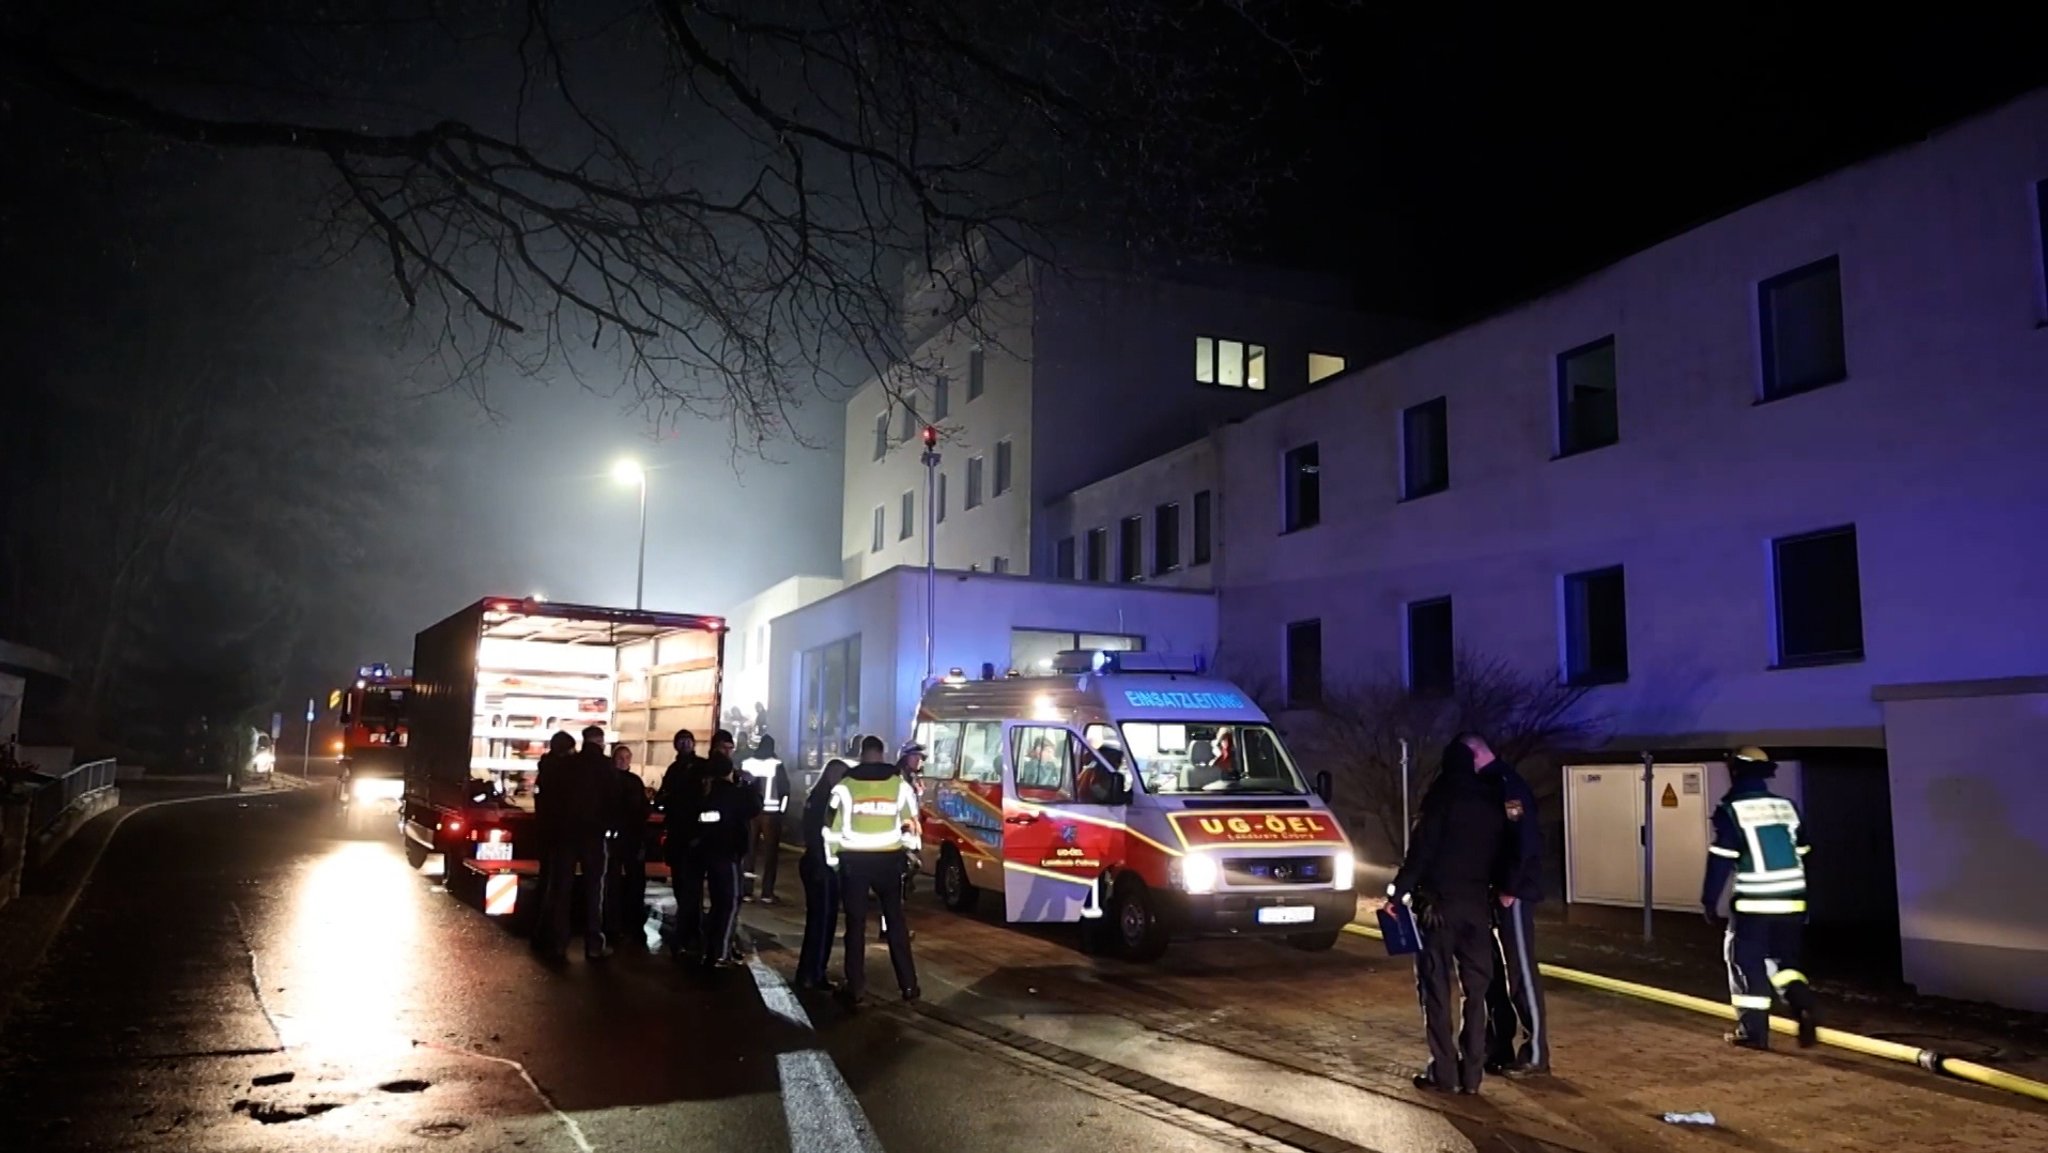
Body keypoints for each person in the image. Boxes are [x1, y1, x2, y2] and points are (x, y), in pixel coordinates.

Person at [1384, 737, 1510, 1095]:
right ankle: (1472, 1075)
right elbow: (1503, 854)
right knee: (1477, 992)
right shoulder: (1491, 801)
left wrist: (1397, 893)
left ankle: (1443, 1072)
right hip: (1477, 909)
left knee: (1437, 989)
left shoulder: (1440, 800)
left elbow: (1420, 854)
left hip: (1438, 910)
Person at [1705, 746, 1818, 1050]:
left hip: (1754, 905)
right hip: (1793, 902)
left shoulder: (1732, 809)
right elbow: (1805, 854)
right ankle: (1802, 1003)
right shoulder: (1787, 807)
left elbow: (1721, 861)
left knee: (1744, 962)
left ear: (1735, 771)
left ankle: (1753, 1032)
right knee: (1784, 963)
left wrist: (1708, 902)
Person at [1470, 735, 1550, 1078]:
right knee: (1503, 970)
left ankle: (1535, 1053)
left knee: (1520, 970)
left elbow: (1523, 841)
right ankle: (1505, 1046)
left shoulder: (1506, 784)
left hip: (1513, 893)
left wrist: (1509, 886)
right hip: (1499, 889)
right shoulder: (1493, 783)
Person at [826, 734, 922, 1007]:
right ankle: (909, 985)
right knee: (895, 923)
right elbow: (911, 823)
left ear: (860, 753)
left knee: (855, 927)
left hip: (854, 863)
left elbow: (830, 827)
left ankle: (855, 987)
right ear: (883, 753)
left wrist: (834, 862)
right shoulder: (898, 785)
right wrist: (908, 851)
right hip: (888, 861)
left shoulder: (845, 787)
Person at [536, 729, 614, 961]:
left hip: (566, 836)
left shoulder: (569, 765)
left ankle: (560, 942)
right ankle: (593, 945)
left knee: (562, 889)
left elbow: (553, 798)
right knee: (594, 889)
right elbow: (613, 798)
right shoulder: (606, 766)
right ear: (600, 741)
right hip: (593, 836)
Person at [696, 746, 763, 968]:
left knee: (717, 903)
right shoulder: (733, 794)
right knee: (730, 902)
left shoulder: (708, 794)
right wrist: (750, 785)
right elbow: (754, 807)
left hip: (710, 852)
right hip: (729, 854)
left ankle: (710, 949)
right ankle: (721, 952)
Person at [794, 759, 850, 990]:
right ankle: (813, 973)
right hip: (821, 867)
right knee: (822, 922)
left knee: (821, 922)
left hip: (820, 865)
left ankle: (812, 972)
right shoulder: (825, 801)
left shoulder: (819, 798)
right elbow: (817, 836)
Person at [659, 729, 713, 958]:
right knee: (680, 884)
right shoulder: (673, 769)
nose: (684, 744)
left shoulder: (702, 767)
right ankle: (688, 926)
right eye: (680, 741)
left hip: (694, 834)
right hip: (677, 834)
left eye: (688, 741)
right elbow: (665, 795)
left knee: (692, 885)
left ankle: (693, 930)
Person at [609, 743, 653, 948]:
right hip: (616, 839)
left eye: (627, 757)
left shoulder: (635, 781)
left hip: (632, 839)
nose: (623, 761)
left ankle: (633, 923)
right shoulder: (607, 781)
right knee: (613, 883)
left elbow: (643, 810)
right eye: (620, 757)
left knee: (636, 883)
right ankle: (614, 924)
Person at [740, 735, 793, 904]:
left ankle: (746, 891)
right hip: (771, 814)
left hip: (751, 813)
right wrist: (782, 812)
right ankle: (767, 893)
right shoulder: (777, 764)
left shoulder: (748, 763)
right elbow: (785, 790)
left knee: (749, 853)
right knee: (771, 855)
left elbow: (740, 786)